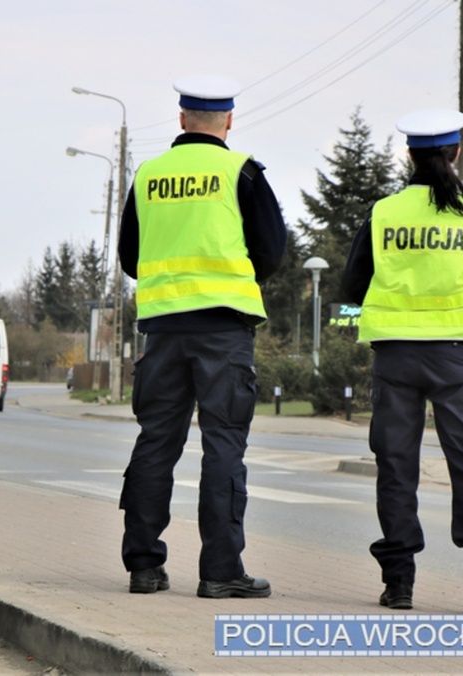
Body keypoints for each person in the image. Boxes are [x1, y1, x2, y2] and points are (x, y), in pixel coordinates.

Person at [341, 109, 463, 614]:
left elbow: (352, 288)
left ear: (409, 155)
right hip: (457, 358)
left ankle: (399, 583)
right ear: (456, 153)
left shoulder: (382, 214)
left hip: (395, 356)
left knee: (396, 467)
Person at [117, 75, 286, 598]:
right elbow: (273, 251)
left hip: (164, 329)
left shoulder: (149, 174)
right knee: (223, 448)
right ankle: (219, 572)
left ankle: (144, 567)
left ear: (182, 119)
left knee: (155, 444)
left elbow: (129, 256)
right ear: (229, 121)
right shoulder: (242, 172)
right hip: (224, 330)